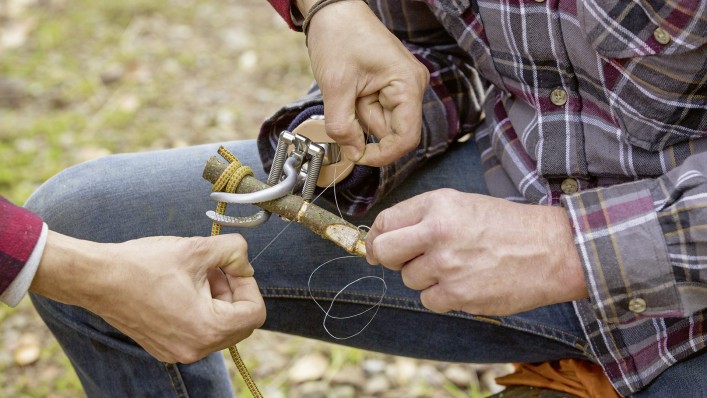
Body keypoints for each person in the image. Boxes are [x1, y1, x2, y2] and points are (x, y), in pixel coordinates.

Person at [4, 0, 705, 396]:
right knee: (87, 225)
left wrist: (570, 249)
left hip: (688, 295)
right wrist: (357, 95)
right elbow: (436, 49)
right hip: (512, 197)